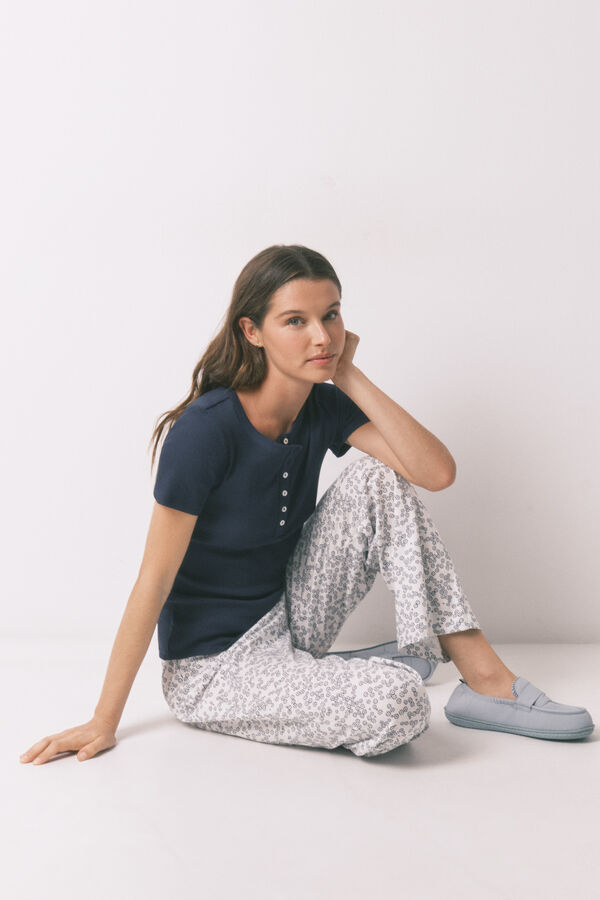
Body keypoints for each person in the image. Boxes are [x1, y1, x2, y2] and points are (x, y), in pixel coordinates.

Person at [19, 245, 594, 766]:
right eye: (296, 321)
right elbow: (154, 579)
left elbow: (435, 473)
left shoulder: (322, 405)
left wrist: (349, 374)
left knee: (381, 476)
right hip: (217, 667)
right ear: (252, 331)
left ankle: (484, 679)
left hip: (290, 618)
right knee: (399, 702)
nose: (322, 336)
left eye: (331, 315)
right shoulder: (204, 432)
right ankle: (353, 674)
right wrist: (103, 720)